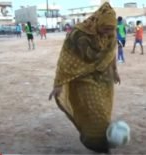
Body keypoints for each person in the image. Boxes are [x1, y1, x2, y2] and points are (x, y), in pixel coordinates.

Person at [49, 2, 120, 153]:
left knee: (103, 111)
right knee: (95, 113)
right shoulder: (77, 34)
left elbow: (111, 51)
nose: (108, 33)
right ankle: (100, 145)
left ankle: (97, 140)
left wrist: (114, 69)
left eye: (111, 29)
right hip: (83, 78)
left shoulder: (111, 32)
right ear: (98, 22)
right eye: (106, 29)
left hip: (103, 78)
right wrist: (58, 84)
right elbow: (66, 59)